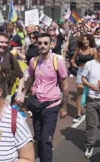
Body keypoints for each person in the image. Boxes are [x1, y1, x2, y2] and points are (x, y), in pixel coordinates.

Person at [17, 33, 69, 162]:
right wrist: (23, 93)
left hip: (51, 105)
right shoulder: (34, 61)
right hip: (36, 105)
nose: (42, 46)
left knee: (46, 140)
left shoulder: (57, 60)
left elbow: (65, 85)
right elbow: (30, 79)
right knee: (38, 138)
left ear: (51, 44)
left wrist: (64, 107)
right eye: (40, 43)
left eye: (46, 43)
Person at [70, 34, 96, 123]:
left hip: (91, 73)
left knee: (91, 94)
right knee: (79, 93)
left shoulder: (93, 51)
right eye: (83, 40)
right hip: (80, 72)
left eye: (87, 40)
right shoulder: (79, 49)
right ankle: (78, 114)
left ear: (90, 41)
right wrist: (74, 64)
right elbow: (72, 59)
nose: (85, 41)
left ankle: (90, 112)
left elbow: (97, 63)